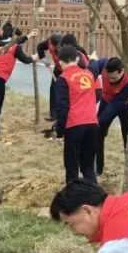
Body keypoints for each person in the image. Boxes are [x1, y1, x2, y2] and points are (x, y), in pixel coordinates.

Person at [52, 45, 100, 184]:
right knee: (88, 166)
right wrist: (93, 59)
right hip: (92, 124)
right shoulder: (89, 74)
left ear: (61, 62)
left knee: (72, 166)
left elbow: (62, 108)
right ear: (77, 59)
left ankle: (73, 194)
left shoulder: (63, 78)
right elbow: (94, 68)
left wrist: (59, 132)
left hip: (74, 126)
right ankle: (94, 194)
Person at [94, 57, 128, 179]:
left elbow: (116, 105)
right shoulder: (103, 64)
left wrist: (100, 120)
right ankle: (98, 168)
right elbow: (91, 69)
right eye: (108, 77)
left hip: (125, 104)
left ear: (122, 71)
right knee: (98, 132)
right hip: (106, 99)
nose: (110, 80)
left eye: (114, 78)